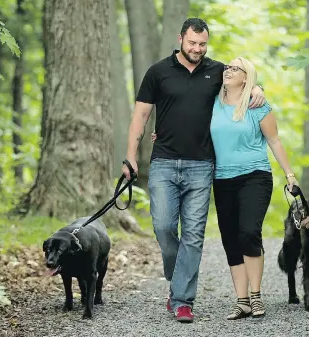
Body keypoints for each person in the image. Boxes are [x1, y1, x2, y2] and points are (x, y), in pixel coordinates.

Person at [121, 18, 266, 323]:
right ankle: (178, 284)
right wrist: (130, 157)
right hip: (162, 163)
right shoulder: (158, 72)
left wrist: (259, 89)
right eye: (192, 43)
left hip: (202, 166)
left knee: (193, 236)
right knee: (162, 226)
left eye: (202, 44)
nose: (197, 49)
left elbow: (243, 79)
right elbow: (140, 116)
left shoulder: (216, 71)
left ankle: (183, 301)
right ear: (181, 39)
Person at [153, 57, 298, 320]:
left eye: (235, 69)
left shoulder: (258, 106)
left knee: (249, 232)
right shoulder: (214, 104)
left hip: (255, 176)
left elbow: (274, 141)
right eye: (227, 67)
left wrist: (289, 173)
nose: (228, 71)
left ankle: (256, 296)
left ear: (247, 77)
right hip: (222, 179)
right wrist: (162, 132)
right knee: (230, 239)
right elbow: (187, 119)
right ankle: (241, 301)